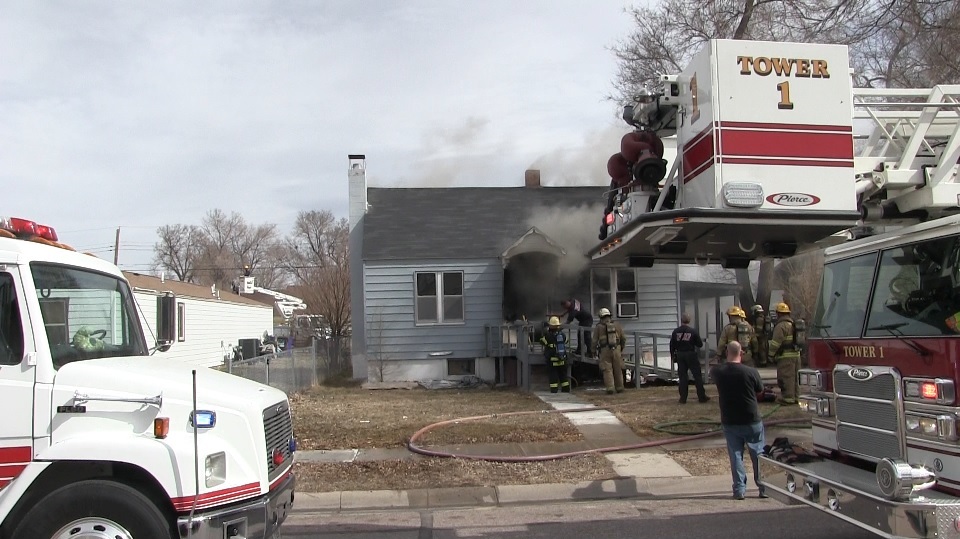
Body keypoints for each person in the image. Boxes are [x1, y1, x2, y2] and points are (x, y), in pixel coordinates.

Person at [710, 340, 767, 500]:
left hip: (730, 419)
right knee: (758, 453)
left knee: (736, 455)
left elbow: (711, 370)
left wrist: (720, 356)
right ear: (741, 353)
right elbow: (760, 390)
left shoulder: (718, 372)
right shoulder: (751, 372)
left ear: (727, 352)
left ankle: (739, 490)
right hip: (751, 419)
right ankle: (763, 488)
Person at [670, 313, 709, 404]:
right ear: (689, 320)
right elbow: (699, 344)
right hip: (691, 354)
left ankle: (683, 398)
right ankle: (701, 397)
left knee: (682, 377)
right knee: (697, 376)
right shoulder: (693, 331)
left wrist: (673, 356)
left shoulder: (676, 331)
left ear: (681, 320)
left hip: (680, 355)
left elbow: (672, 345)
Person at [768, 302, 801, 405]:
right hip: (796, 355)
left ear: (779, 314)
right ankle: (796, 397)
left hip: (786, 357)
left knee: (786, 377)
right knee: (795, 377)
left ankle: (788, 398)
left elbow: (775, 343)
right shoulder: (793, 324)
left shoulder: (781, 326)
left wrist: (770, 355)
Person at [591, 308, 625, 394]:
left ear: (600, 317)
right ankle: (620, 388)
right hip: (617, 349)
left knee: (607, 369)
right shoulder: (617, 325)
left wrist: (593, 350)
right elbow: (623, 338)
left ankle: (610, 388)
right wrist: (621, 348)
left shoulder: (598, 327)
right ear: (609, 316)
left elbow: (594, 340)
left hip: (604, 350)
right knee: (618, 369)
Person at [539, 316, 570, 393]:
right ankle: (566, 389)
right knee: (563, 375)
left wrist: (543, 331)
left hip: (552, 360)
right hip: (562, 359)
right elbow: (566, 341)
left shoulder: (548, 335)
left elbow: (542, 341)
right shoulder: (562, 334)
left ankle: (554, 390)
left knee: (553, 375)